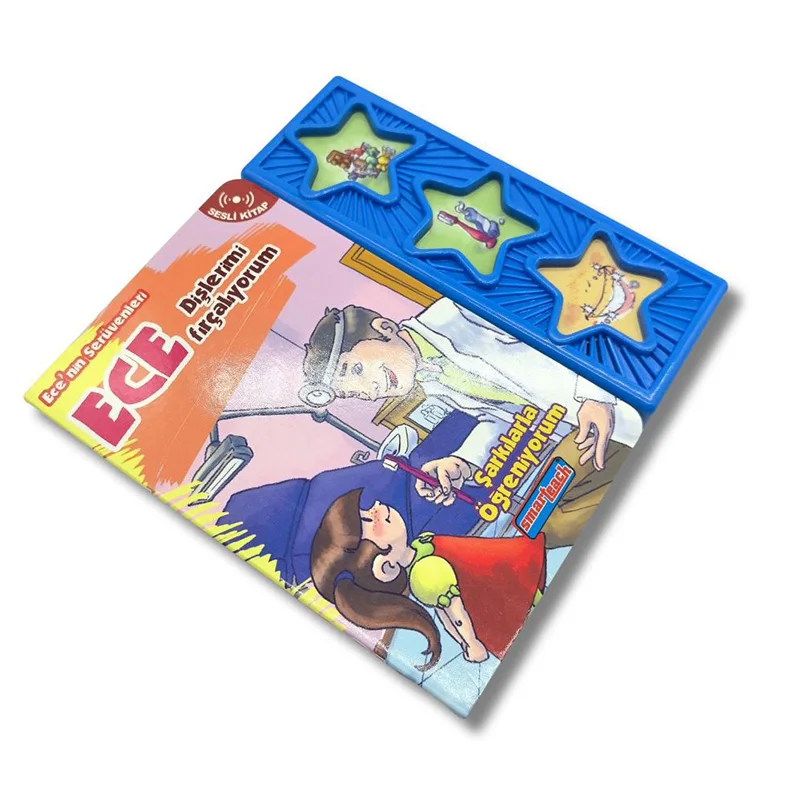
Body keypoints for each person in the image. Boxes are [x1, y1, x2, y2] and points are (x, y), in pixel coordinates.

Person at [302, 299, 644, 547]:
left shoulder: (458, 312)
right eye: (356, 393)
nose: (370, 389)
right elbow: (501, 414)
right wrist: (461, 463)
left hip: (619, 387)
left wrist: (596, 394)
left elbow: (566, 312)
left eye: (357, 369)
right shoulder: (431, 381)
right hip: (581, 429)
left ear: (384, 328)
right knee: (543, 524)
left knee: (547, 518)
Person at [311, 488, 547, 671]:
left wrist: (468, 643)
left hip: (508, 579)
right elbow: (452, 612)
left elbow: (447, 612)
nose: (375, 508)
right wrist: (471, 643)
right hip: (509, 596)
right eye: (368, 522)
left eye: (365, 510)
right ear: (383, 566)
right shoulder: (424, 573)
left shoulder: (421, 547)